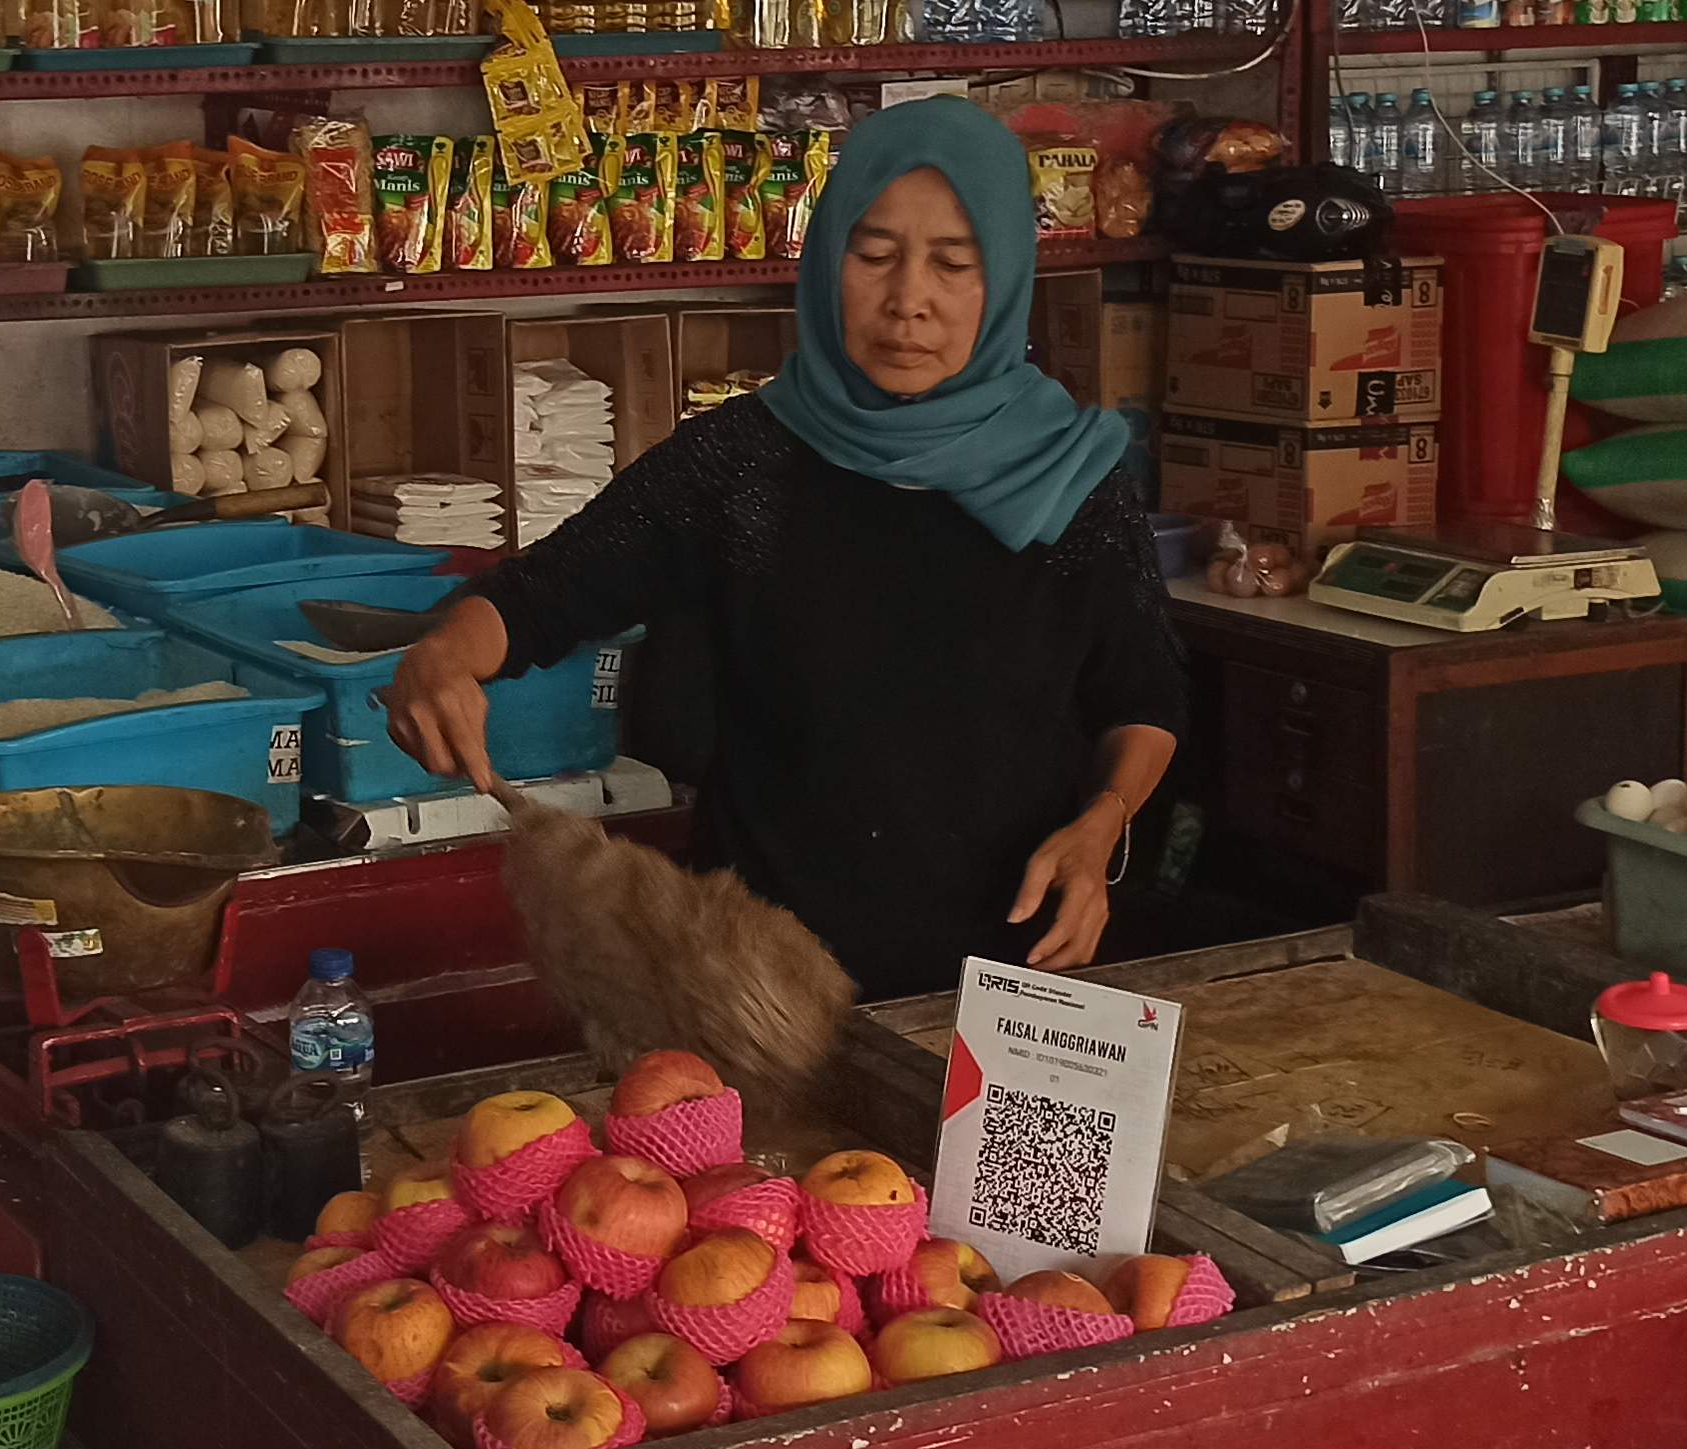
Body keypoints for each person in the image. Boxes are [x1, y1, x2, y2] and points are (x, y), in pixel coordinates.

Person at [381, 97, 1185, 997]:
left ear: (1004, 281)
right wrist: (445, 654)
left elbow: (1143, 698)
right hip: (769, 986)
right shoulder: (744, 463)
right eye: (873, 255)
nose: (907, 300)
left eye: (954, 265)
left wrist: (1100, 827)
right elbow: (541, 595)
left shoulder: (1072, 476)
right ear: (825, 258)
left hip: (1018, 972)